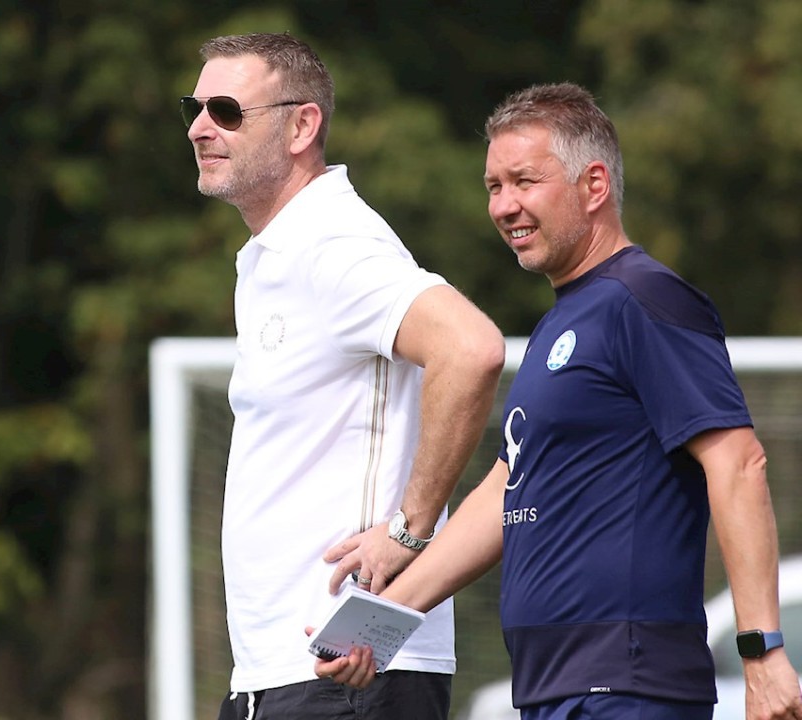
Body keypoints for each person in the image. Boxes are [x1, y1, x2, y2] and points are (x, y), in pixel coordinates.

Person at [317, 82, 802, 720]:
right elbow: (506, 491)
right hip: (552, 686)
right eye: (494, 186)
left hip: (628, 685)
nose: (504, 205)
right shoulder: (561, 322)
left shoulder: (645, 299)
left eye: (524, 181)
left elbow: (738, 463)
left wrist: (762, 653)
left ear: (593, 185)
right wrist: (380, 623)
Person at [182, 32, 505, 720]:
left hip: (348, 672)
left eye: (227, 111)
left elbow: (471, 348)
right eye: (195, 108)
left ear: (302, 126)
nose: (200, 128)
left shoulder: (332, 241)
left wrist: (411, 532)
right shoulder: (279, 250)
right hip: (286, 675)